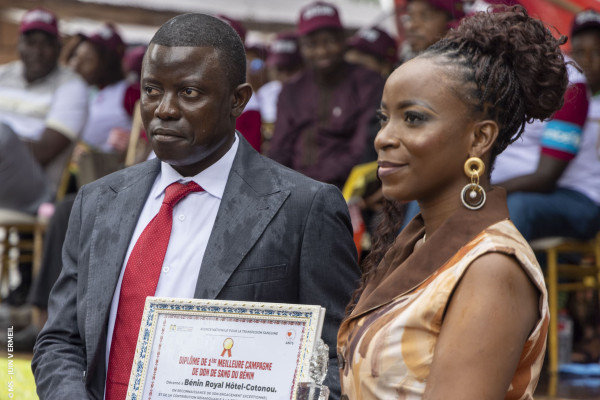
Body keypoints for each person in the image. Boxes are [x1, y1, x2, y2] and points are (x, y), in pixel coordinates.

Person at [32, 13, 360, 400]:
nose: (164, 109)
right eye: (152, 90)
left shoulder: (304, 209)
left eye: (189, 93)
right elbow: (60, 341)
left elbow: (337, 359)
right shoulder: (98, 202)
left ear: (237, 100)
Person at [337, 6, 567, 398]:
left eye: (413, 118)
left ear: (479, 138)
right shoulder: (417, 242)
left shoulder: (491, 268)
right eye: (384, 117)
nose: (383, 138)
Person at [490, 10, 600, 241]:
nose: (588, 61)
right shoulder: (565, 94)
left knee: (519, 207)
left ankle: (499, 265)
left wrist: (485, 192)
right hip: (552, 194)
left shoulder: (573, 94)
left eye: (598, 52)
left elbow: (545, 177)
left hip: (584, 199)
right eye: (580, 52)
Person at [268, 1, 385, 189]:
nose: (321, 51)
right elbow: (279, 149)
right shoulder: (291, 90)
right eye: (312, 44)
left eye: (329, 41)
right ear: (302, 47)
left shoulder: (368, 83)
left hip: (347, 190)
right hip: (295, 189)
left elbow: (363, 148)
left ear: (343, 40)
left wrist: (315, 185)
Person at [0, 7, 88, 215]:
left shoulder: (72, 86)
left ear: (58, 48)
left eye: (45, 44)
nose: (37, 51)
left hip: (34, 188)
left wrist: (7, 144)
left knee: (3, 134)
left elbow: (42, 152)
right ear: (19, 44)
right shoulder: (4, 74)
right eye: (30, 42)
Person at [398, 0, 465, 62]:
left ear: (451, 23)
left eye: (425, 16)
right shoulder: (404, 58)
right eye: (410, 17)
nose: (411, 26)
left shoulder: (460, 64)